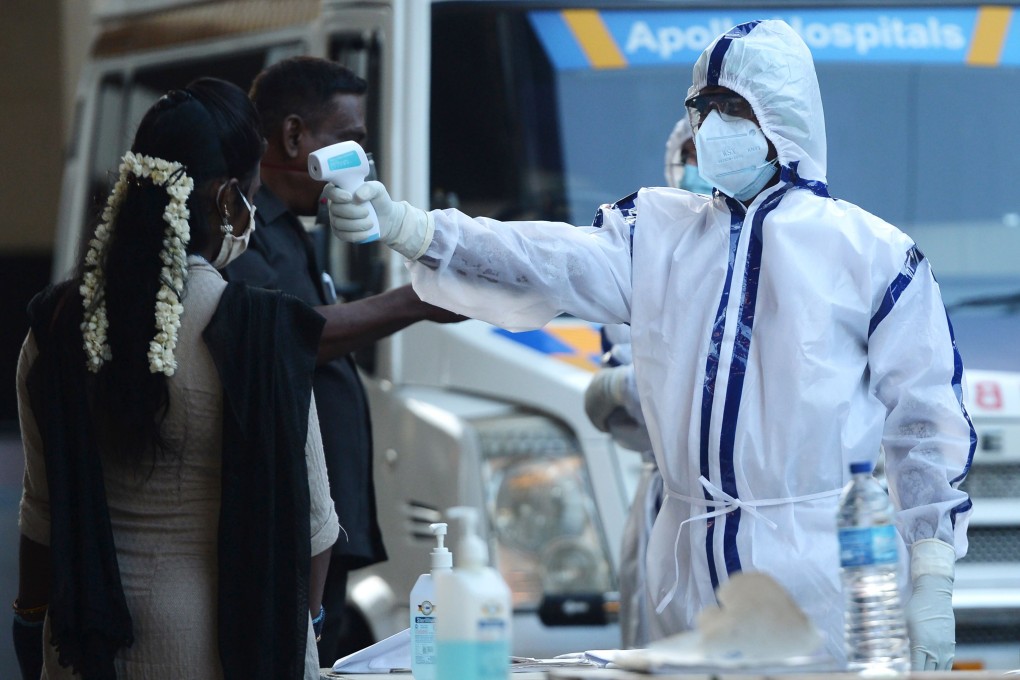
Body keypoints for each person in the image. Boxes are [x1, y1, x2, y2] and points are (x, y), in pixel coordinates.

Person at [324, 20, 973, 670]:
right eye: (703, 107)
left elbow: (925, 425)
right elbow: (544, 256)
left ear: (786, 116)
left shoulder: (872, 256)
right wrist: (413, 229)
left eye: (734, 108)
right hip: (683, 566)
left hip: (820, 577)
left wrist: (933, 579)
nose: (712, 125)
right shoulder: (658, 234)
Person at [15, 78, 339, 679]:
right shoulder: (262, 333)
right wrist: (304, 624)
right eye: (249, 196)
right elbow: (314, 526)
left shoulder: (56, 327)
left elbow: (42, 518)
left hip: (86, 650)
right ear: (224, 199)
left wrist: (29, 621)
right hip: (226, 649)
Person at [221, 56, 462, 663]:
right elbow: (299, 335)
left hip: (326, 521)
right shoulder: (246, 232)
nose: (362, 161)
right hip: (293, 522)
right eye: (350, 141)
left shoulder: (296, 229)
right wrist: (417, 302)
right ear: (295, 137)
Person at [584, 115, 710, 648]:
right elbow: (641, 393)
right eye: (691, 157)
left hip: (764, 516)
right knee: (656, 654)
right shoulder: (643, 255)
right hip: (672, 499)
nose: (700, 172)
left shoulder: (793, 249)